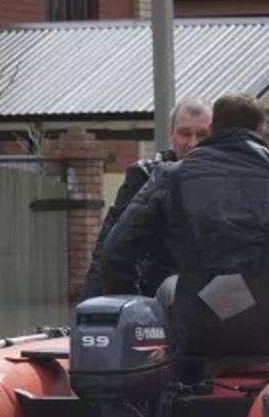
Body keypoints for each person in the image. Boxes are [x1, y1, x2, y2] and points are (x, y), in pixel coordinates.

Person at [101, 93, 269, 364]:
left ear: (213, 129)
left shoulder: (171, 176)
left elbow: (114, 254)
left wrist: (137, 319)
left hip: (196, 332)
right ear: (262, 129)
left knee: (169, 285)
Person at [83, 98, 212, 298]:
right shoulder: (145, 177)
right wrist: (92, 312)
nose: (193, 143)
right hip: (156, 301)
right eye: (185, 133)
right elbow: (108, 249)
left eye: (202, 135)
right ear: (171, 135)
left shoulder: (228, 183)